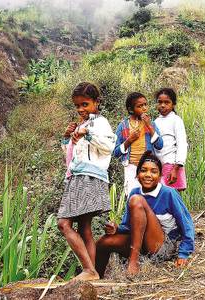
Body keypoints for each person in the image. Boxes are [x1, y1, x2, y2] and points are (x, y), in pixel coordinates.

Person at [95, 151, 195, 277]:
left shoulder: (168, 193)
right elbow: (128, 227)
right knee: (103, 242)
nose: (148, 175)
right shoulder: (134, 192)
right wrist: (116, 229)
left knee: (137, 200)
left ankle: (133, 262)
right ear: (137, 175)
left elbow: (187, 224)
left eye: (153, 171)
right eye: (143, 170)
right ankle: (96, 278)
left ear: (159, 177)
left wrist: (184, 253)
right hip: (140, 244)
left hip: (162, 246)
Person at [58, 82, 116, 281]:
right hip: (78, 177)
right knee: (84, 228)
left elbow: (109, 146)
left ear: (96, 102)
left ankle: (89, 270)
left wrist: (87, 133)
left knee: (63, 224)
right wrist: (67, 139)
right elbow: (72, 156)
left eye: (85, 104)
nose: (81, 109)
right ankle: (93, 273)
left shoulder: (100, 123)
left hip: (89, 177)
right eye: (77, 106)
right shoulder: (83, 125)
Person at [113, 92, 163, 196]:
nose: (144, 108)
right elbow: (116, 152)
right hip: (131, 168)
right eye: (140, 106)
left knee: (149, 197)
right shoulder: (123, 126)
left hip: (147, 167)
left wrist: (150, 126)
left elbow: (160, 145)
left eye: (145, 104)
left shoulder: (151, 124)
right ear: (131, 109)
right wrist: (129, 141)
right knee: (133, 197)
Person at [154, 88, 188, 192]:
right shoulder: (155, 121)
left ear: (173, 104)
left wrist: (176, 168)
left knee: (172, 197)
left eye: (167, 102)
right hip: (159, 166)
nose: (163, 105)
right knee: (162, 198)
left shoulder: (176, 120)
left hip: (172, 164)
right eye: (160, 102)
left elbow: (182, 144)